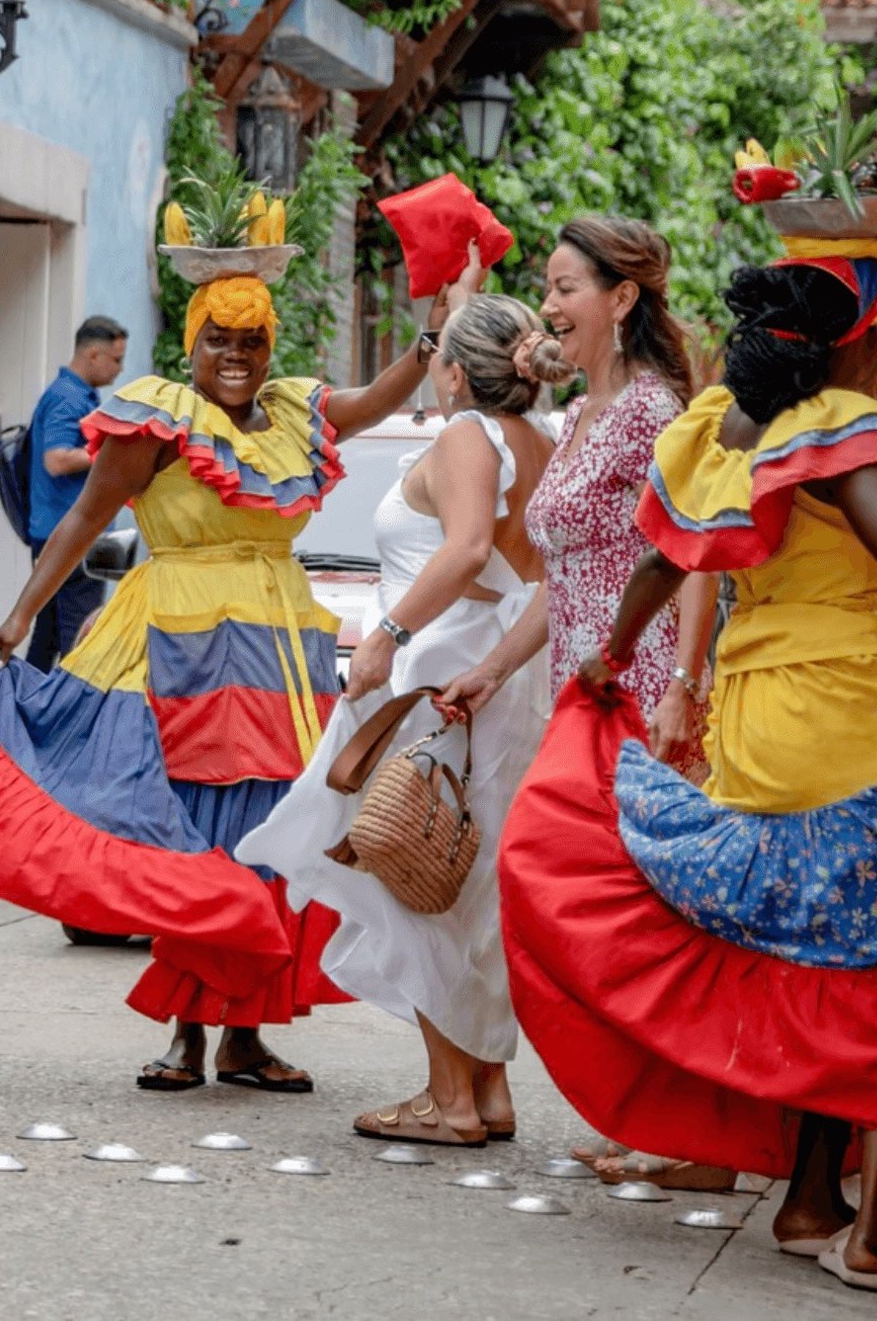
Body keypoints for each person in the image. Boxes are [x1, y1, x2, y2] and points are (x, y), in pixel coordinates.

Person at [500, 230, 877, 1291]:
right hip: (856, 707)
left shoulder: (721, 431)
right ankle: (859, 1229)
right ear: (860, 344)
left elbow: (660, 556)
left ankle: (815, 1198)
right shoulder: (844, 432)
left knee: (817, 948)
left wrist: (612, 656)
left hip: (759, 723)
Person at [0, 192, 467, 1093]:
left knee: (276, 831)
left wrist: (433, 331)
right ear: (190, 343)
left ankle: (247, 1035)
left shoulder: (297, 413)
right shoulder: (154, 421)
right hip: (177, 646)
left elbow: (388, 396)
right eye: (219, 340)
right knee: (193, 832)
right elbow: (82, 519)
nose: (236, 357)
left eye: (253, 341)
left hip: (279, 651)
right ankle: (191, 1031)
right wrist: (22, 612)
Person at [236, 294, 568, 1145]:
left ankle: (448, 1100)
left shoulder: (467, 437)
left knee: (414, 869)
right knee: (470, 877)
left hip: (438, 676)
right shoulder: (539, 438)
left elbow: (462, 550)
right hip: (500, 671)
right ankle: (486, 1092)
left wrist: (387, 635)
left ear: (454, 372)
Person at [439, 216, 722, 1182]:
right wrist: (493, 667)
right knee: (606, 907)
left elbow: (689, 557)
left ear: (622, 298)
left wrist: (684, 685)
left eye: (565, 288)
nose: (550, 306)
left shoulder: (651, 411)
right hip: (579, 689)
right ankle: (656, 1112)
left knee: (641, 912)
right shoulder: (587, 415)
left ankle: (689, 1129)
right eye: (549, 289)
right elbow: (568, 576)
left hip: (639, 693)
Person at [24, 316, 127, 669]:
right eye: (115, 360)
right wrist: (113, 452)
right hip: (71, 537)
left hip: (58, 533)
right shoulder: (68, 398)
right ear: (94, 355)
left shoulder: (74, 394)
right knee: (78, 639)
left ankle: (22, 709)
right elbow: (56, 459)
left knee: (49, 635)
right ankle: (73, 717)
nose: (118, 369)